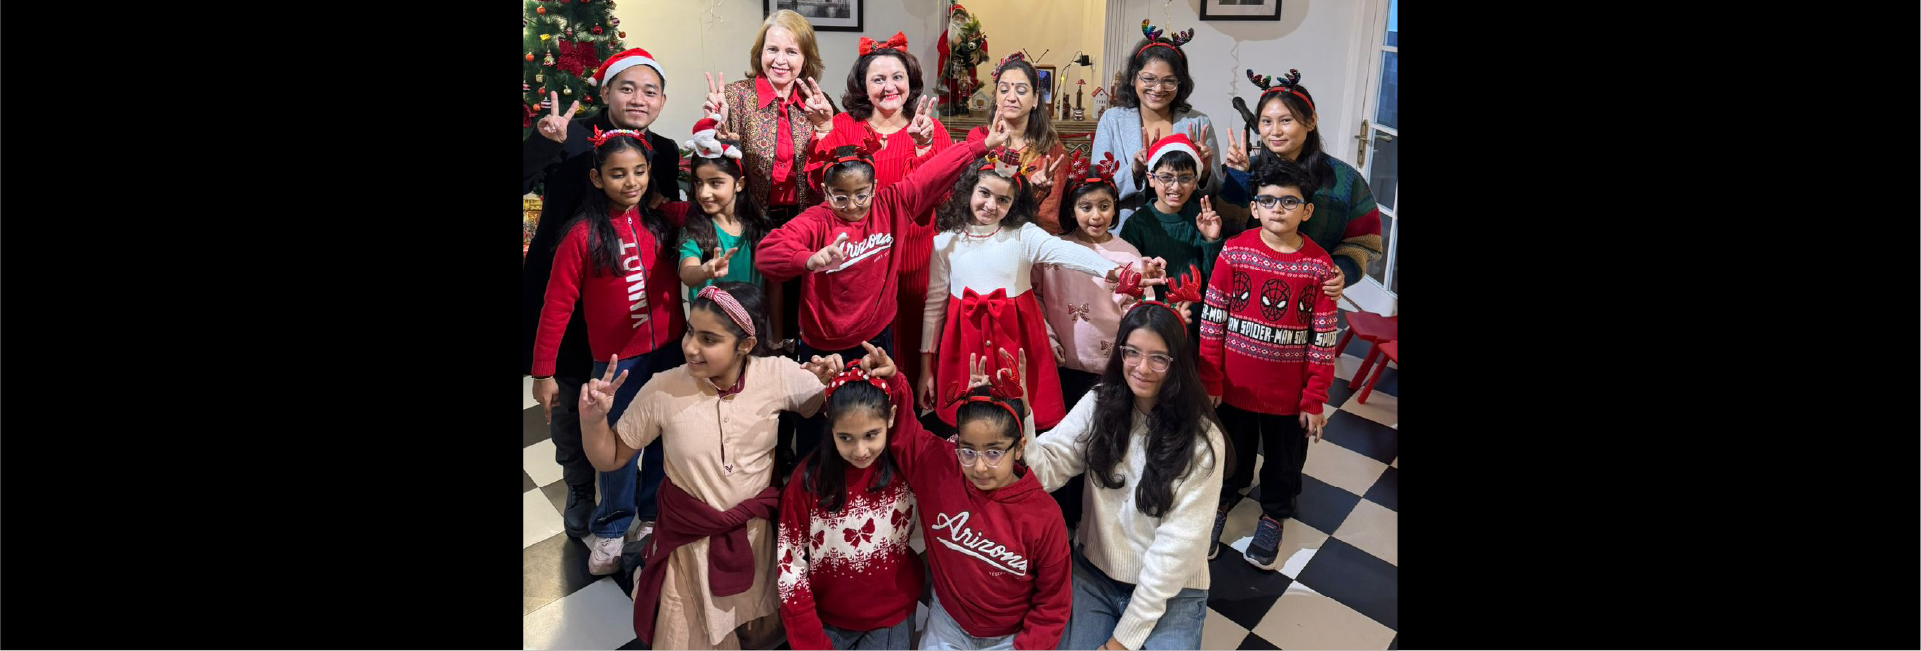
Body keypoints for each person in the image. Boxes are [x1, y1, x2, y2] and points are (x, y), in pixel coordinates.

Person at [580, 283, 855, 650]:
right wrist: (593, 422)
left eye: (709, 339)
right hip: (688, 549)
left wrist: (832, 377)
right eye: (690, 331)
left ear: (745, 345)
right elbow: (611, 456)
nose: (690, 347)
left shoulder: (776, 374)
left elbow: (834, 407)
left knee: (757, 632)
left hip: (756, 540)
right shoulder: (664, 389)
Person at [756, 117, 1014, 466]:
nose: (852, 205)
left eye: (861, 194)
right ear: (825, 192)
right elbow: (766, 254)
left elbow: (934, 172)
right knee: (820, 437)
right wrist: (809, 259)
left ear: (875, 186)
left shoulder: (893, 204)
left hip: (874, 342)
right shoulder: (817, 220)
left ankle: (875, 487)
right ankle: (814, 491)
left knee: (875, 428)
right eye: (840, 197)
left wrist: (981, 146)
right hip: (822, 348)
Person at [523, 47, 683, 542]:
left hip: (626, 297)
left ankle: (647, 502)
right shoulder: (568, 133)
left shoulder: (663, 149)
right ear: (607, 91)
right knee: (574, 398)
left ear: (661, 101)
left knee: (636, 404)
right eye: (626, 88)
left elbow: (665, 214)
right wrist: (541, 142)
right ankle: (580, 487)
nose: (638, 99)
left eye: (650, 91)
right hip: (563, 288)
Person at [1021, 298, 1228, 651]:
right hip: (1095, 573)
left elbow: (1174, 554)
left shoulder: (1202, 442)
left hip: (1173, 589)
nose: (1142, 368)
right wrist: (1021, 411)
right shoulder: (1099, 403)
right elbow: (1045, 471)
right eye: (1132, 352)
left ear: (1178, 364)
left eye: (1158, 358)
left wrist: (1119, 643)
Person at [919, 149, 1165, 432]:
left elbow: (1068, 252)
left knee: (1021, 425)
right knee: (969, 425)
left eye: (1003, 200)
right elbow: (934, 307)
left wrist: (1121, 273)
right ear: (969, 190)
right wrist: (927, 368)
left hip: (1017, 346)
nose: (991, 205)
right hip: (965, 348)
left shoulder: (1023, 235)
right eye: (984, 193)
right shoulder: (945, 242)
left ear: (1014, 203)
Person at [865, 345, 1075, 650]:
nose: (979, 466)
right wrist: (894, 380)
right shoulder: (940, 467)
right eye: (968, 450)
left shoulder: (1044, 515)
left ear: (1019, 448)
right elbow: (905, 432)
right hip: (948, 623)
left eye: (994, 452)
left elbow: (1053, 604)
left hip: (1011, 635)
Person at [1198, 156, 1340, 571]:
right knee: (1230, 453)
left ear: (1306, 210)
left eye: (1289, 201)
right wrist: (1210, 377)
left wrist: (1314, 398)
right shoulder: (1234, 252)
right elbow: (1213, 319)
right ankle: (1221, 503)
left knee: (1284, 462)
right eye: (1268, 200)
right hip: (1233, 387)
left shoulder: (1319, 267)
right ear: (1254, 207)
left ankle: (1273, 516)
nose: (1278, 209)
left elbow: (1323, 339)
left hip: (1288, 395)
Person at [818, 30, 954, 405]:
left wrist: (924, 149)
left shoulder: (932, 128)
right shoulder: (845, 127)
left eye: (897, 77)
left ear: (911, 81)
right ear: (863, 86)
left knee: (912, 359)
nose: (889, 86)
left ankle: (908, 423)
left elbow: (943, 197)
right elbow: (822, 189)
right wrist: (822, 129)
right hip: (861, 266)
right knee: (864, 368)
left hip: (915, 263)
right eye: (878, 79)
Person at [703, 9, 840, 346]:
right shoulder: (735, 97)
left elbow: (838, 166)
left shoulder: (818, 101)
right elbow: (713, 165)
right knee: (750, 316)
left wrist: (827, 127)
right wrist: (716, 130)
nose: (780, 60)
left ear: (806, 58)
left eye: (791, 51)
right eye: (772, 49)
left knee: (799, 312)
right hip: (750, 222)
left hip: (805, 224)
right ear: (759, 53)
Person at [775, 361, 922, 650]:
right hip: (826, 617)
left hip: (892, 617)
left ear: (891, 417)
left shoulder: (907, 466)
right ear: (829, 422)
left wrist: (898, 381)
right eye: (845, 438)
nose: (860, 450)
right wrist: (810, 642)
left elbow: (932, 442)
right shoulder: (807, 481)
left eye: (871, 435)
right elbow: (790, 568)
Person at [1030, 152, 1142, 529]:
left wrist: (1127, 361)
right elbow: (1036, 296)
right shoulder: (1053, 250)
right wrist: (1047, 337)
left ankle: (1099, 522)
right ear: (1071, 208)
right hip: (1062, 368)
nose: (1096, 215)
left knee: (1102, 444)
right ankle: (1061, 518)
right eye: (1086, 206)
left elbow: (1136, 312)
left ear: (1115, 208)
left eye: (1104, 206)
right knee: (1062, 443)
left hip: (1107, 372)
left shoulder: (1127, 255)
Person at [1219, 68, 1382, 305]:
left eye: (1286, 120)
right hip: (1246, 298)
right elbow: (1226, 232)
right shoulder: (1247, 171)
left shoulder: (1344, 180)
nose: (1275, 131)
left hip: (1310, 300)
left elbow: (1364, 242)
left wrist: (1341, 270)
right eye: (1266, 121)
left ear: (1311, 121)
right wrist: (1237, 176)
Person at [1090, 22, 1222, 233]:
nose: (1158, 89)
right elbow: (1096, 190)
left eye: (1169, 81)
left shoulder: (1198, 123)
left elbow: (1216, 192)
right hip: (1125, 233)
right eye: (1149, 79)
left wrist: (1205, 173)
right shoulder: (1112, 120)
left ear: (1180, 83)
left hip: (1184, 233)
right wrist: (1134, 171)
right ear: (1133, 78)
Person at [1118, 133, 1231, 340]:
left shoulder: (1202, 220)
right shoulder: (1137, 224)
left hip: (1195, 323)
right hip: (1150, 323)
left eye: (1185, 178)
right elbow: (1130, 283)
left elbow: (1216, 280)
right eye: (1166, 177)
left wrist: (1211, 241)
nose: (1176, 187)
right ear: (1151, 179)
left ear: (1195, 181)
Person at [966, 53, 1072, 234]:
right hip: (983, 236)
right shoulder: (979, 139)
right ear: (996, 96)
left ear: (1035, 99)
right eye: (1004, 89)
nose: (1011, 97)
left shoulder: (1052, 150)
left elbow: (1049, 218)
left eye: (1021, 91)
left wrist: (1036, 193)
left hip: (1032, 239)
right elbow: (968, 199)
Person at [677, 116, 771, 303]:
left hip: (753, 322)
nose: (703, 193)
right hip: (709, 322)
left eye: (715, 183)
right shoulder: (696, 229)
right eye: (698, 183)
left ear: (739, 184)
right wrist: (705, 270)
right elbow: (687, 272)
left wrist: (775, 324)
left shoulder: (759, 228)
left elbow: (773, 288)